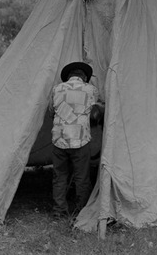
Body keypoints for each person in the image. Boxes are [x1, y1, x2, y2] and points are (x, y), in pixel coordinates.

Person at [49, 61, 104, 219]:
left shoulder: (57, 89)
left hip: (59, 139)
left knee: (59, 176)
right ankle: (82, 211)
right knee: (82, 177)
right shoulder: (91, 90)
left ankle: (59, 210)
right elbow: (98, 108)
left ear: (68, 77)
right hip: (80, 140)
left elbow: (51, 112)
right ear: (84, 77)